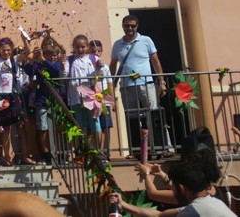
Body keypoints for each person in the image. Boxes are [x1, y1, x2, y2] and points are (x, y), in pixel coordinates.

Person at [110, 14, 173, 158]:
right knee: (132, 119)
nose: (130, 28)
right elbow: (113, 66)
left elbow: (156, 62)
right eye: (127, 26)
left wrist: (161, 82)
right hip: (126, 86)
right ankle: (136, 151)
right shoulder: (117, 45)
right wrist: (110, 87)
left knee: (154, 116)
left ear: (137, 26)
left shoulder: (146, 40)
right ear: (123, 27)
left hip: (147, 84)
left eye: (133, 26)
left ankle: (164, 147)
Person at [110, 157, 237, 216]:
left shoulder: (193, 212)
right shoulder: (210, 202)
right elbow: (158, 215)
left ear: (182, 189)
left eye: (173, 187)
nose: (171, 188)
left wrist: (147, 174)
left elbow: (153, 197)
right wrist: (123, 205)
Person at [0, 24, 33, 166]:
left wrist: (24, 40)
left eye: (8, 50)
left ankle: (24, 155)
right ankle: (6, 156)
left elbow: (28, 52)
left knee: (20, 126)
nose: (6, 53)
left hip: (14, 96)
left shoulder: (14, 60)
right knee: (5, 128)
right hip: (1, 97)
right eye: (3, 50)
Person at [22, 43, 62, 165]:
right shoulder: (39, 65)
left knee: (56, 128)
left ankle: (58, 153)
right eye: (49, 55)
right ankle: (45, 154)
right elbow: (28, 70)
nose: (53, 57)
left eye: (54, 55)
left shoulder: (57, 64)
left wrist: (44, 60)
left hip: (54, 101)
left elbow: (55, 71)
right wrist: (33, 57)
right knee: (42, 127)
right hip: (41, 100)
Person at [61, 35, 101, 142]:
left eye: (83, 47)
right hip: (76, 97)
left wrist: (98, 68)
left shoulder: (94, 59)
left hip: (91, 98)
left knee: (95, 124)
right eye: (77, 47)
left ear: (87, 47)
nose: (80, 49)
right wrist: (62, 64)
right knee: (80, 125)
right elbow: (64, 75)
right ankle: (84, 151)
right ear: (73, 47)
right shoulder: (69, 60)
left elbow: (100, 75)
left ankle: (99, 152)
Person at [89, 40, 114, 155]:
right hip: (94, 100)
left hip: (105, 100)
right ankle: (97, 151)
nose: (96, 53)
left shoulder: (105, 67)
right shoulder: (89, 66)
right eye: (93, 51)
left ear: (102, 51)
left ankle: (106, 151)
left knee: (106, 126)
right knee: (95, 126)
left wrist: (112, 99)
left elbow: (110, 83)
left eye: (98, 51)